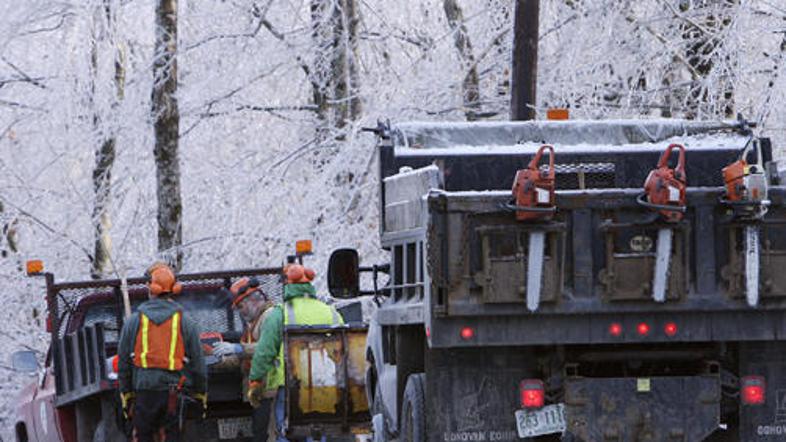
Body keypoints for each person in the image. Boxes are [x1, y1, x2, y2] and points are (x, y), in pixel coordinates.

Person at [246, 264, 343, 442]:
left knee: (287, 431)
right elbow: (343, 353)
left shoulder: (280, 314)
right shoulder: (332, 313)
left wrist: (255, 382)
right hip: (325, 385)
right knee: (318, 429)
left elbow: (264, 351)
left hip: (291, 387)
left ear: (287, 286)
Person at [117, 262, 207, 442]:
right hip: (173, 395)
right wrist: (200, 396)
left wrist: (127, 397)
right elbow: (198, 364)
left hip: (143, 393)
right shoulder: (186, 322)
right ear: (174, 290)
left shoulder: (133, 322)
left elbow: (124, 365)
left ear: (150, 288)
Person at [211, 277, 275, 441]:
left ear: (253, 300)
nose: (241, 311)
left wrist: (237, 348)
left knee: (269, 434)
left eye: (241, 306)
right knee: (261, 432)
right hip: (261, 389)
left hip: (270, 387)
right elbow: (243, 357)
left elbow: (266, 349)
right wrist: (218, 360)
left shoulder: (269, 318)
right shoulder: (252, 325)